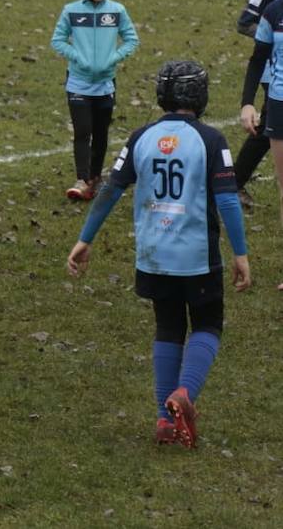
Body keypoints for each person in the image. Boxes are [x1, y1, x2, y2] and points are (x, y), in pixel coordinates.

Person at [68, 60, 250, 448]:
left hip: (153, 255)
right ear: (200, 96)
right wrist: (241, 254)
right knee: (207, 323)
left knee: (167, 326)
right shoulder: (212, 140)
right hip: (197, 257)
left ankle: (164, 422)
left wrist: (86, 239)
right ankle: (184, 394)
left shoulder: (140, 137)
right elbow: (229, 202)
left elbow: (109, 191)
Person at [51, 0, 139, 201]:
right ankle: (82, 179)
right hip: (78, 82)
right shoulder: (71, 11)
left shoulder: (117, 11)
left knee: (101, 133)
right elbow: (57, 40)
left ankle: (95, 178)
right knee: (83, 131)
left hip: (105, 83)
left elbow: (132, 40)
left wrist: (115, 57)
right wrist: (77, 57)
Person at [232, 0, 283, 209]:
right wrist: (272, 38)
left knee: (268, 130)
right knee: (269, 128)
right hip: (272, 71)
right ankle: (233, 184)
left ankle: (233, 183)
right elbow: (244, 23)